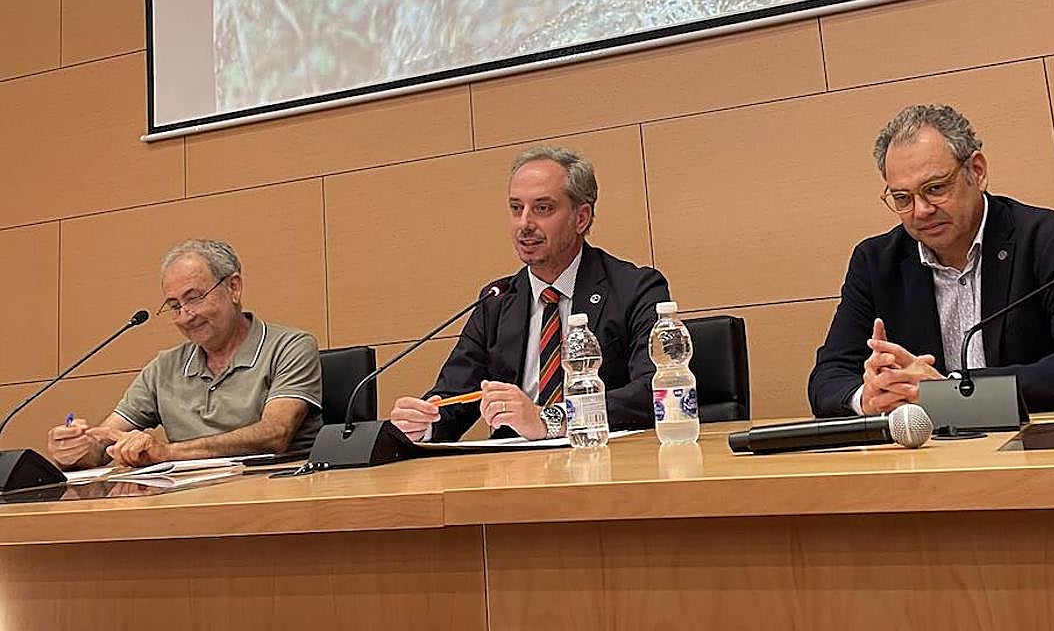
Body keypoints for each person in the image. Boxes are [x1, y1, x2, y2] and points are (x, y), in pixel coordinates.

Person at [808, 104, 1054, 418]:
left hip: (1033, 448)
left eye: (935, 189)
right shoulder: (876, 262)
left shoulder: (1045, 239)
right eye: (902, 198)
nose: (920, 210)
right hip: (928, 458)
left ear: (976, 172)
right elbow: (828, 378)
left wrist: (950, 392)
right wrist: (870, 396)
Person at [389, 145, 670, 442]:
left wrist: (550, 419)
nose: (524, 224)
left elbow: (654, 389)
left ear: (581, 218)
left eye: (542, 208)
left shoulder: (635, 289)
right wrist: (424, 422)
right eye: (516, 208)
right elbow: (457, 395)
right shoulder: (496, 300)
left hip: (603, 461)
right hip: (512, 473)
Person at [46, 239, 323, 468]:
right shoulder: (164, 368)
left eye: (194, 298)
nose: (186, 316)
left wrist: (167, 452)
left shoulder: (290, 346)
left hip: (271, 495)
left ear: (234, 288)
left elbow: (274, 433)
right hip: (187, 502)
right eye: (174, 305)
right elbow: (106, 443)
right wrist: (78, 450)